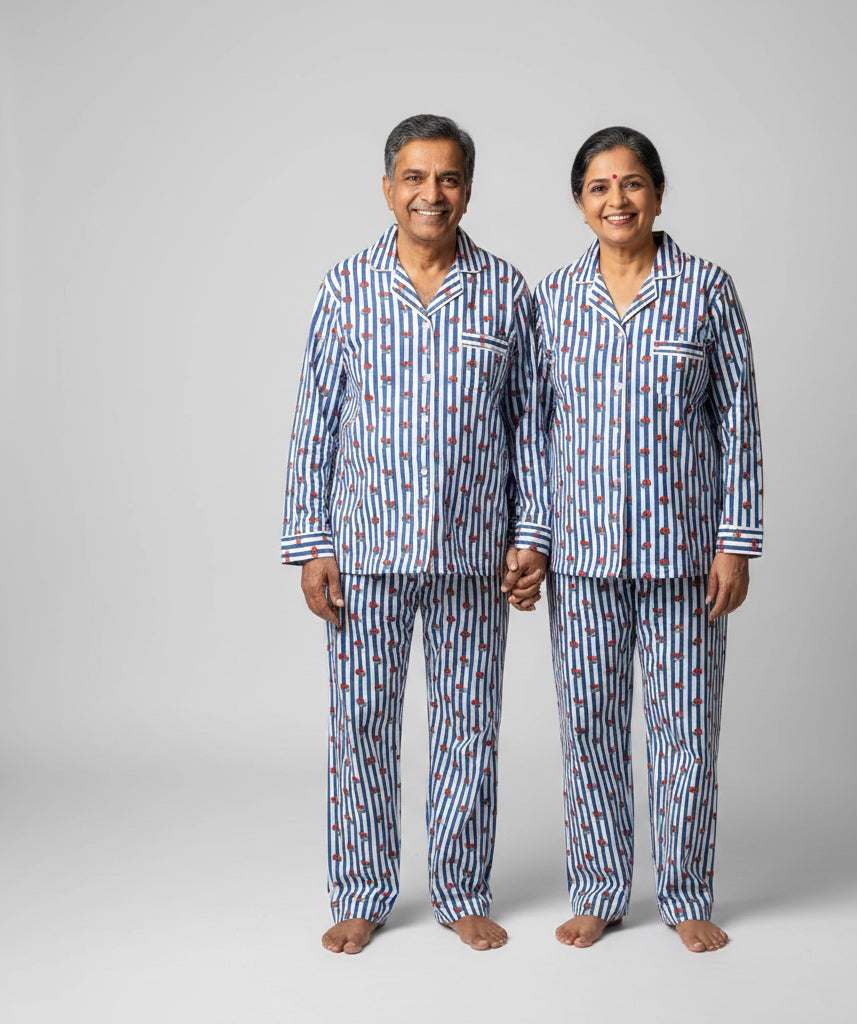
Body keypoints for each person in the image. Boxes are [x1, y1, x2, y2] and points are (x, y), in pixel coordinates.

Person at [281, 114, 548, 954]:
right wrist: (310, 545)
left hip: (476, 553)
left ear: (468, 187)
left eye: (449, 178)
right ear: (389, 186)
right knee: (361, 725)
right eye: (415, 177)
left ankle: (462, 888)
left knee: (470, 726)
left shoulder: (507, 291)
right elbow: (313, 425)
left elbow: (530, 428)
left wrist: (531, 533)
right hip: (363, 554)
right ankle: (362, 889)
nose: (432, 194)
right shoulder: (346, 287)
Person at [528, 126, 764, 952]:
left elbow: (739, 423)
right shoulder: (551, 300)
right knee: (589, 725)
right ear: (580, 202)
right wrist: (535, 539)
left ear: (659, 194)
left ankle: (686, 890)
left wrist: (736, 541)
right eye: (599, 186)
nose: (616, 200)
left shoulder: (705, 290)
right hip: (584, 558)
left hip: (686, 556)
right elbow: (533, 431)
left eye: (632, 184)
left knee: (686, 729)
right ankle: (598, 886)